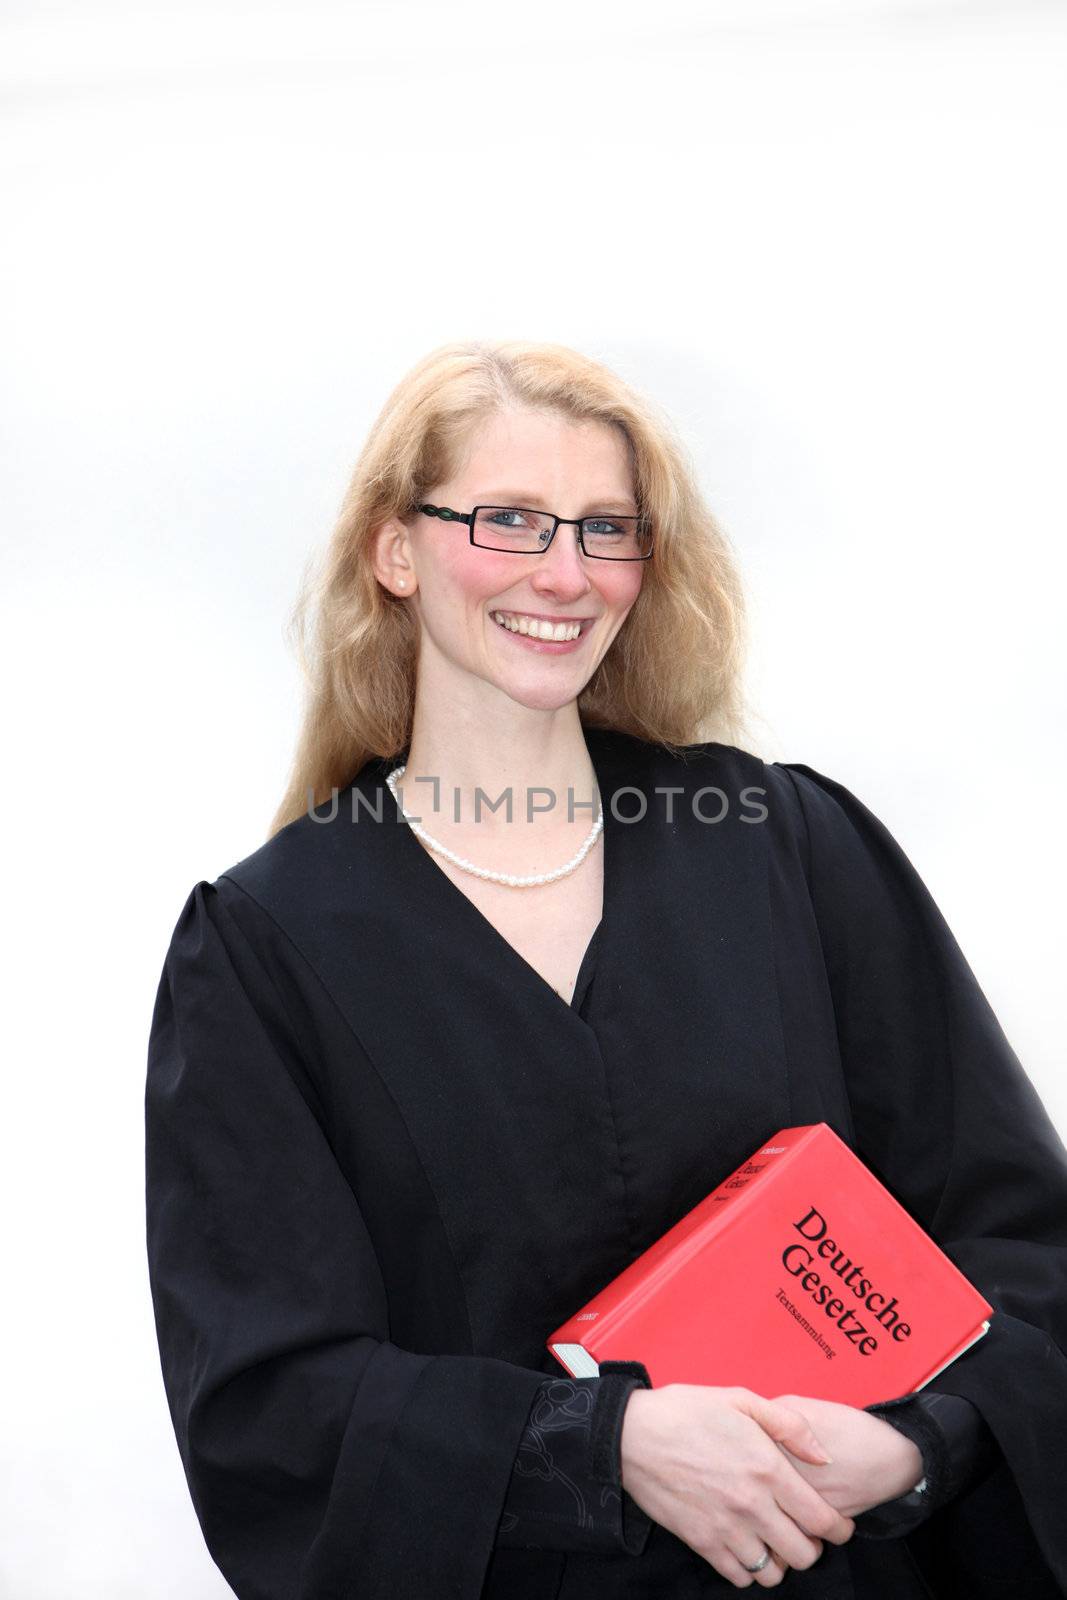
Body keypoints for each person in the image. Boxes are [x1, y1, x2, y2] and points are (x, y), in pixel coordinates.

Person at [144, 340, 1067, 1599]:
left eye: (606, 530)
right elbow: (270, 1407)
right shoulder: (265, 952)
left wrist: (913, 1445)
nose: (565, 575)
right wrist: (606, 1446)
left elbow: (1022, 1248)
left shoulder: (786, 851)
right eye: (509, 520)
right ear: (394, 550)